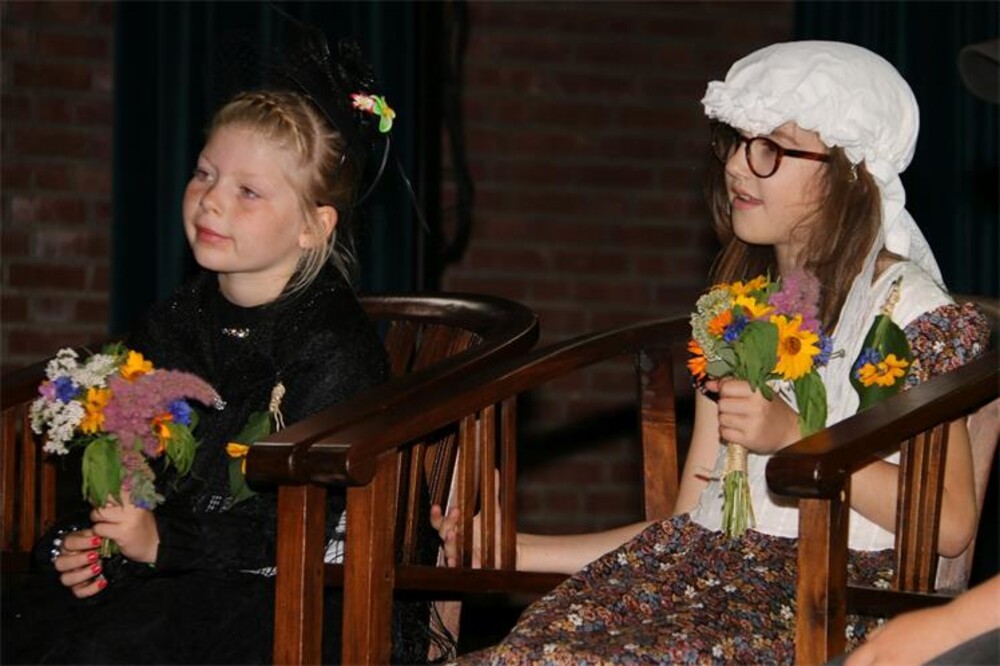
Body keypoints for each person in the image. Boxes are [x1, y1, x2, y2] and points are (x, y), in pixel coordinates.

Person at [432, 40, 991, 663]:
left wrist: (797, 434)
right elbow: (691, 525)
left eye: (770, 147)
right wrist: (516, 548)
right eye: (735, 142)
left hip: (821, 600)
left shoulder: (910, 315)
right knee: (529, 649)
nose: (738, 167)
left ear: (849, 171)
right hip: (704, 582)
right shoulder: (735, 314)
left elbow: (949, 525)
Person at [2, 32, 449, 666]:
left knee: (117, 644)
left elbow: (293, 524)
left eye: (248, 191)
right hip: (181, 572)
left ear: (312, 225)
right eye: (205, 174)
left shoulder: (331, 346)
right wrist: (88, 541)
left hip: (298, 593)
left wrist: (163, 541)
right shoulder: (174, 322)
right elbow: (133, 465)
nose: (211, 198)